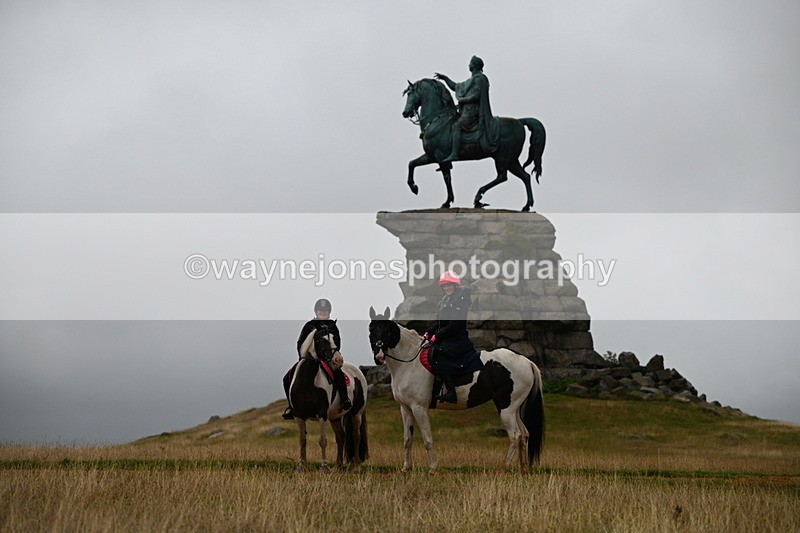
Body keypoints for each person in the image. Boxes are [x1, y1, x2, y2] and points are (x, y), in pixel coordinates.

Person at [282, 298, 351, 420]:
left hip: (327, 359)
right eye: (320, 311)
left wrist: (331, 356)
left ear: (329, 312)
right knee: (287, 378)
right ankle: (292, 407)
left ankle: (344, 399)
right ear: (316, 311)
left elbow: (337, 343)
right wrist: (303, 355)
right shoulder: (309, 326)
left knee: (338, 374)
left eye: (325, 311)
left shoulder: (332, 326)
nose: (322, 313)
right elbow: (300, 342)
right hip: (309, 359)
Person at [423, 271, 483, 403]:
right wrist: (429, 332)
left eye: (449, 285)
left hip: (457, 338)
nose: (446, 288)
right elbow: (439, 323)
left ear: (455, 285)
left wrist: (436, 336)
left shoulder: (461, 300)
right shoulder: (443, 301)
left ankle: (451, 392)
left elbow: (455, 324)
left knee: (438, 354)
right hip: (446, 337)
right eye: (444, 286)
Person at [434, 55, 500, 162]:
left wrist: (463, 100)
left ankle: (455, 153)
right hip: (466, 111)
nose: (468, 65)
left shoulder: (480, 78)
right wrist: (445, 78)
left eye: (470, 63)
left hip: (473, 112)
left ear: (474, 66)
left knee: (457, 126)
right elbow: (456, 87)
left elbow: (476, 95)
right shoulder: (470, 80)